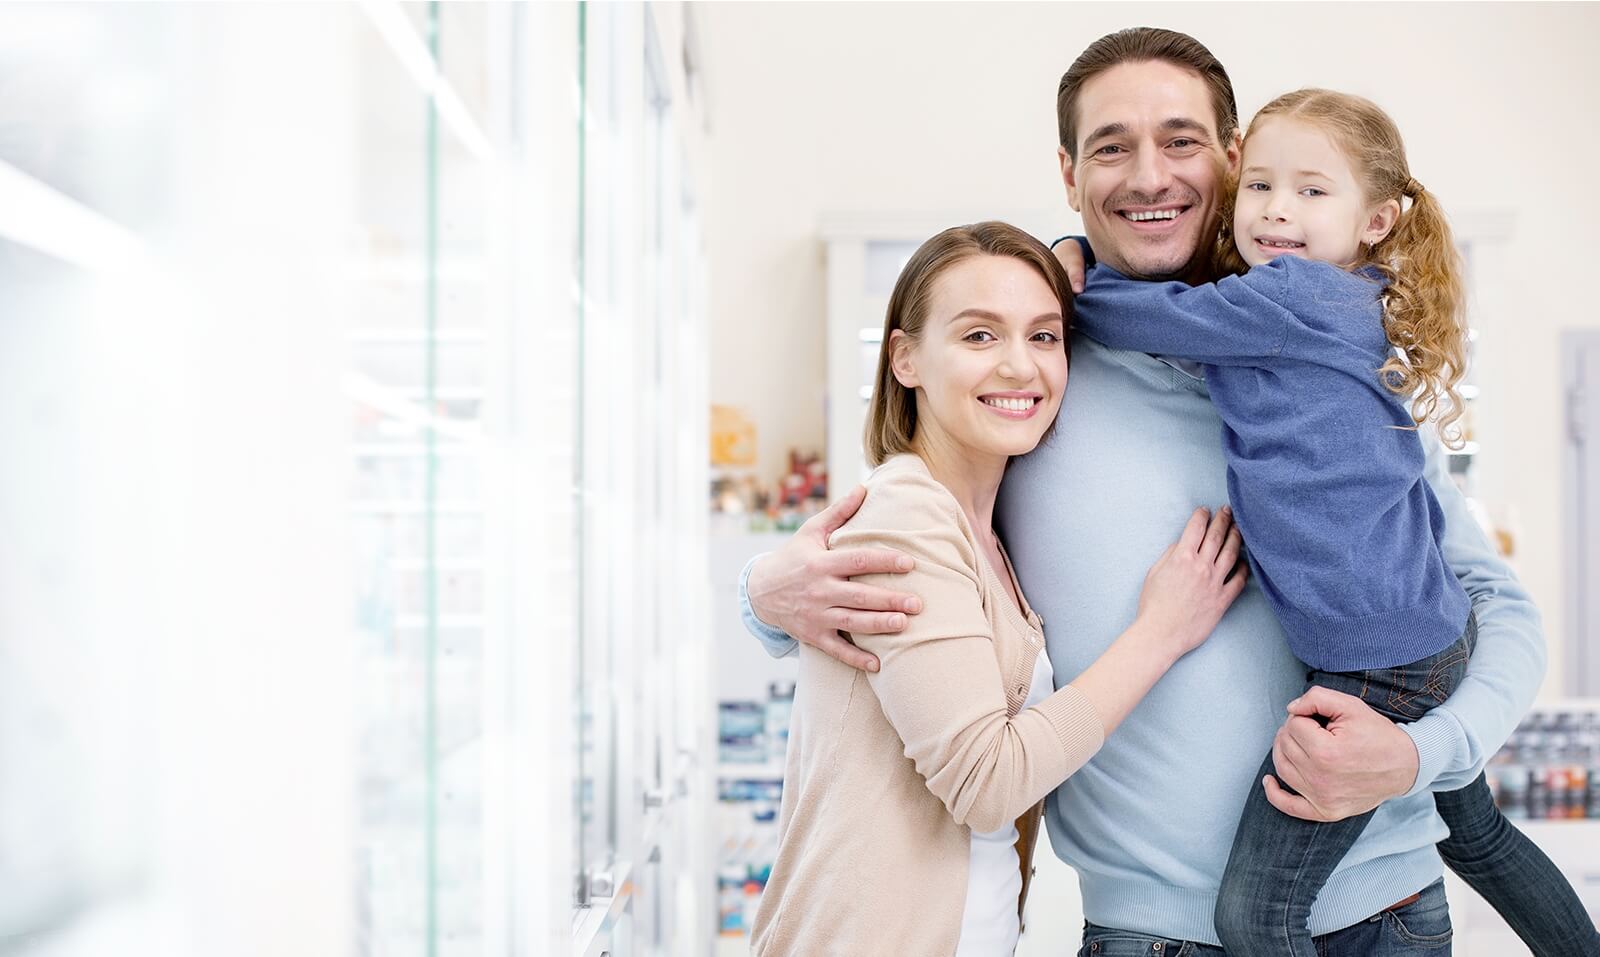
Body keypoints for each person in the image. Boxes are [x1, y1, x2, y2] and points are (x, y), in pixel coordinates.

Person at [741, 28, 1549, 954]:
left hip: (1387, 916)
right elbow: (914, 548)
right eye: (1112, 146)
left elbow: (1497, 605)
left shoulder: (1336, 359)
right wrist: (763, 594)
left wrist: (1417, 755)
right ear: (1069, 172)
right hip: (1146, 933)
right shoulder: (1034, 377)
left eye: (1180, 140)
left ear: (1234, 156)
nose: (1149, 175)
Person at [1068, 86, 1599, 956]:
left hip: (1378, 669)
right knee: (1480, 838)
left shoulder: (1293, 296)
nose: (1278, 210)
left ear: (1376, 220)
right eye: (1263, 187)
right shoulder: (1345, 299)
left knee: (1257, 916)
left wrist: (1067, 266)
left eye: (1312, 191)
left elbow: (1132, 314)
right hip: (1426, 639)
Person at [750, 221, 1247, 957]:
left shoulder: (986, 527)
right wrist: (1160, 632)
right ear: (905, 358)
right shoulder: (908, 517)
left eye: (1044, 336)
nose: (1020, 366)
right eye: (980, 336)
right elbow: (987, 781)